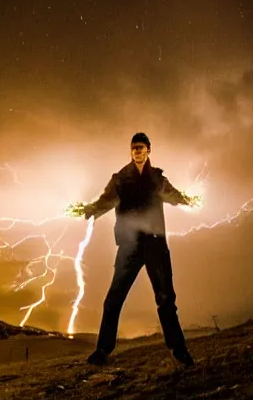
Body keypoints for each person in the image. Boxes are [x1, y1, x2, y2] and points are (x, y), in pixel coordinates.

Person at [68, 133, 198, 367]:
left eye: (141, 147)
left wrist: (189, 200)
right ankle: (102, 350)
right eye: (133, 148)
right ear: (131, 151)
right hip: (130, 246)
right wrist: (88, 210)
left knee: (166, 298)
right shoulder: (120, 179)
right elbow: (104, 201)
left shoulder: (157, 178)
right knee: (114, 298)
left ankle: (179, 349)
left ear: (149, 150)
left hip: (155, 244)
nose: (137, 151)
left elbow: (173, 195)